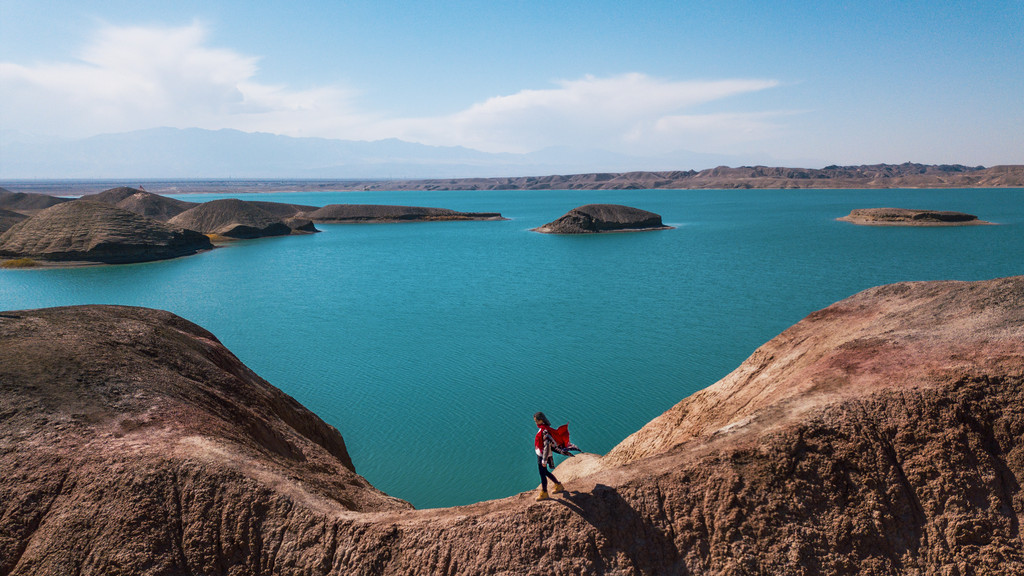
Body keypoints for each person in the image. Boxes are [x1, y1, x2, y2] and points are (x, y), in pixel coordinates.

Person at [533, 411, 565, 501]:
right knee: (545, 472)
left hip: (542, 456)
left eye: (536, 421)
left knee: (542, 474)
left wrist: (544, 460)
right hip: (541, 454)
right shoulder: (543, 428)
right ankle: (558, 485)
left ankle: (544, 493)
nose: (535, 423)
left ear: (540, 420)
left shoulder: (545, 431)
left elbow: (546, 446)